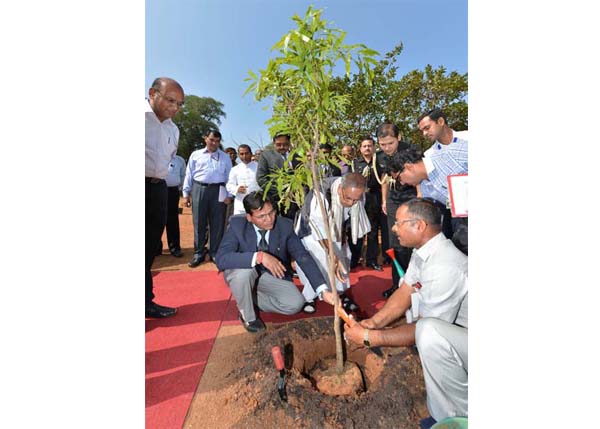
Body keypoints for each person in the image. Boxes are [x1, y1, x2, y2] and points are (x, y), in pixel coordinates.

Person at [343, 198, 467, 425]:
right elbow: (405, 292)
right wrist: (374, 322)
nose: (392, 227)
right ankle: (443, 417)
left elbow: (425, 331)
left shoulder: (444, 265)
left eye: (399, 222)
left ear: (419, 226)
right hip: (457, 339)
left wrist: (370, 337)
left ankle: (460, 418)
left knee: (429, 333)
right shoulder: (424, 252)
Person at [215, 192, 335, 332]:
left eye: (271, 213)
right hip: (243, 273)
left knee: (295, 304)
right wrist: (260, 257)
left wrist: (322, 290)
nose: (269, 219)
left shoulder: (285, 225)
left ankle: (248, 298)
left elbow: (303, 256)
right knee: (244, 273)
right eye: (261, 216)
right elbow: (221, 259)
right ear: (249, 217)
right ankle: (248, 316)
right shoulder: (237, 226)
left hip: (270, 277)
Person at [295, 172, 371, 313]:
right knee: (319, 259)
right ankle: (309, 297)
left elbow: (346, 219)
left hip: (335, 227)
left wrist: (340, 243)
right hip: (311, 230)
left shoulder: (359, 195)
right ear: (340, 189)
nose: (351, 203)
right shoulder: (321, 193)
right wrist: (332, 255)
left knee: (344, 256)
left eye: (355, 200)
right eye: (348, 198)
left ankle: (340, 293)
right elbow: (317, 227)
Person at [145, 77, 184, 318]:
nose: (175, 108)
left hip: (158, 189)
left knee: (149, 249)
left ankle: (146, 302)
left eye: (179, 104)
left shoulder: (173, 129)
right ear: (152, 93)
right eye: (171, 100)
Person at [374, 122, 418, 298]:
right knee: (396, 243)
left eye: (390, 143)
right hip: (393, 200)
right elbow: (384, 178)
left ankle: (414, 285)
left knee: (413, 242)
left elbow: (420, 178)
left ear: (399, 138)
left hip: (411, 199)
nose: (386, 148)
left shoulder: (412, 151)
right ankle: (397, 284)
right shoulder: (380, 156)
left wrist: (420, 201)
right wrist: (385, 200)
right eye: (382, 144)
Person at [182, 130, 233, 267]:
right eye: (211, 140)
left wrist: (229, 195)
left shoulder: (225, 157)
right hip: (199, 189)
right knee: (199, 221)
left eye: (217, 141)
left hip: (219, 190)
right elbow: (189, 175)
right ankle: (198, 253)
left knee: (217, 222)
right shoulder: (196, 155)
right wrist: (185, 194)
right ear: (205, 139)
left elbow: (230, 177)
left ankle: (215, 252)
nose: (214, 143)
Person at [351, 136, 389, 271]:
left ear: (374, 147)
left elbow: (384, 180)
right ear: (360, 149)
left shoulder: (380, 161)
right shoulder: (355, 163)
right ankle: (354, 259)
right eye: (364, 146)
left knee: (373, 230)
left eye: (370, 145)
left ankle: (371, 260)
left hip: (376, 197)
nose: (367, 148)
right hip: (360, 199)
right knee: (358, 230)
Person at [256, 134, 299, 220]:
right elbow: (261, 179)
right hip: (275, 199)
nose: (282, 147)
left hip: (294, 200)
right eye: (278, 144)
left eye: (285, 144)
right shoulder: (266, 156)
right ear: (274, 143)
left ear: (289, 143)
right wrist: (281, 191)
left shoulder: (295, 156)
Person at [162, 153, 186, 257]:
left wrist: (181, 190)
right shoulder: (157, 156)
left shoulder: (180, 160)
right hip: (157, 189)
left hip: (173, 191)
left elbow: (183, 175)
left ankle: (175, 247)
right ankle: (155, 247)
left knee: (172, 220)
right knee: (155, 219)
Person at [226, 144, 260, 215]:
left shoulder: (259, 167)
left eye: (246, 153)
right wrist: (236, 189)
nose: (244, 156)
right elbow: (229, 185)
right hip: (240, 204)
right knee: (240, 225)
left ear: (251, 153)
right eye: (241, 154)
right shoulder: (235, 169)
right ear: (238, 155)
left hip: (257, 203)